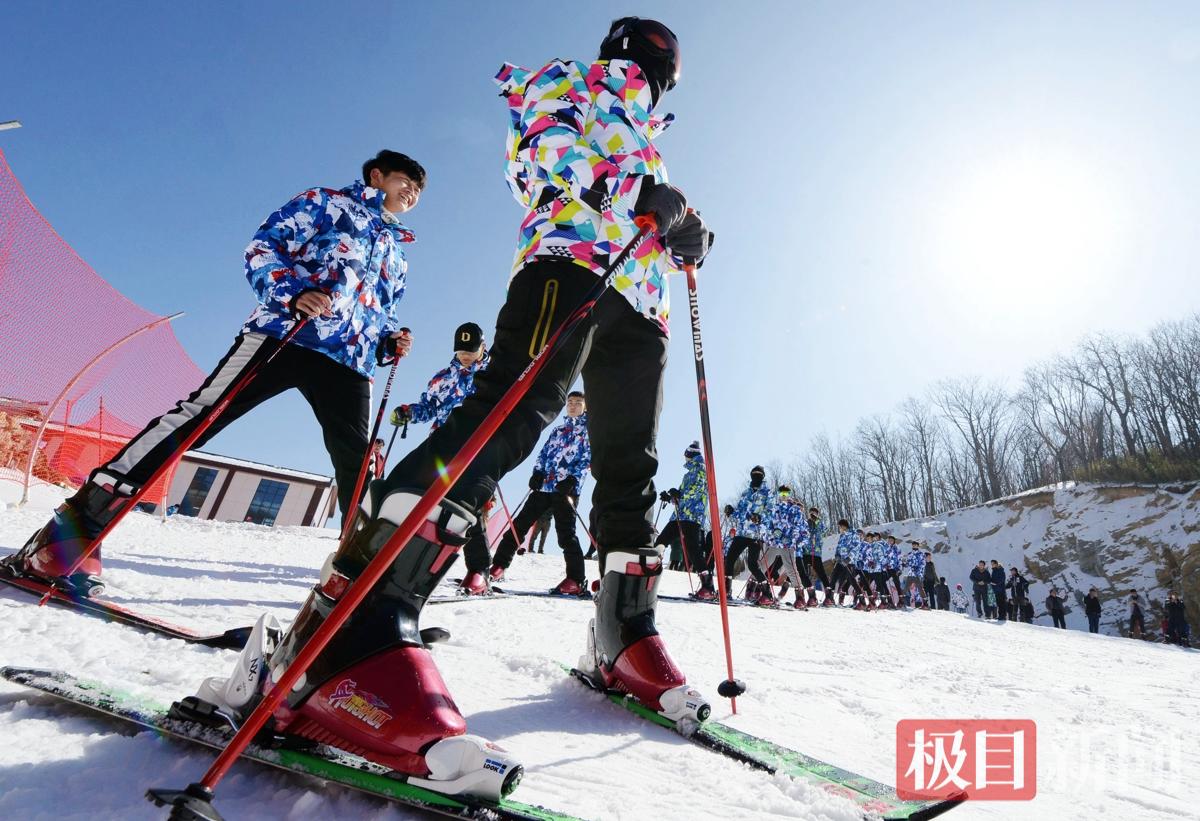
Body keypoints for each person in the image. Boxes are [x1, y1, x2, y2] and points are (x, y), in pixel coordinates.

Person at [189, 18, 717, 799]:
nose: (655, 73)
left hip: (642, 306)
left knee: (629, 465)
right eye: (655, 61)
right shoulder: (572, 81)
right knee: (508, 416)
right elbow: (542, 153)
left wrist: (686, 232)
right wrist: (636, 193)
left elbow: (657, 204)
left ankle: (624, 635)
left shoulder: (649, 132)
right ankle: (355, 630)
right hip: (570, 261)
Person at [10, 150, 422, 593]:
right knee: (202, 416)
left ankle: (356, 577)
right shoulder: (326, 203)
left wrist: (387, 342)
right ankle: (73, 530)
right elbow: (264, 246)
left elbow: (378, 311)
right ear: (377, 176)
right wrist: (291, 293)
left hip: (349, 362)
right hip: (287, 332)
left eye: (419, 191)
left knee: (359, 463)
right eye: (406, 182)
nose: (412, 194)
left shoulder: (397, 253)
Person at [484, 391, 591, 595]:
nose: (573, 405)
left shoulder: (587, 431)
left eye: (578, 403)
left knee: (566, 535)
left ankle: (575, 580)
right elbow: (543, 454)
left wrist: (572, 480)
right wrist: (537, 473)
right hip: (544, 486)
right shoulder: (558, 430)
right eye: (570, 402)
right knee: (519, 526)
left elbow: (587, 460)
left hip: (565, 490)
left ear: (585, 407)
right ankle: (498, 567)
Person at [390, 322, 489, 432]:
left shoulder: (493, 370)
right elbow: (430, 407)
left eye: (470, 350)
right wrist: (409, 413)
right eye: (461, 350)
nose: (465, 355)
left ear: (483, 346)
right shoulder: (443, 378)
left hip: (481, 436)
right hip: (445, 438)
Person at [655, 441, 715, 599]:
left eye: (685, 456)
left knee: (692, 549)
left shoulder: (700, 469)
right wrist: (671, 497)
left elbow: (697, 490)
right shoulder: (690, 472)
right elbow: (684, 494)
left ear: (689, 455)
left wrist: (679, 495)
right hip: (680, 514)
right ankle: (647, 575)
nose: (684, 459)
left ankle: (708, 586)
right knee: (662, 540)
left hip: (692, 515)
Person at [725, 466, 773, 601]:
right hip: (742, 532)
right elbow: (740, 513)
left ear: (763, 477)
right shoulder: (746, 493)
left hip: (756, 534)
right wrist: (731, 511)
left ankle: (766, 593)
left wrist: (760, 518)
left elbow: (770, 512)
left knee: (752, 565)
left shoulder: (768, 493)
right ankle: (726, 590)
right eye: (754, 474)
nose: (756, 476)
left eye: (759, 474)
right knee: (729, 560)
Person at [829, 520, 864, 607]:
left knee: (852, 580)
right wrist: (837, 555)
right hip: (840, 561)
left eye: (839, 527)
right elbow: (838, 547)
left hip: (849, 562)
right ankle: (829, 598)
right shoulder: (842, 535)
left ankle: (862, 601)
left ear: (844, 526)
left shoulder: (854, 535)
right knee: (833, 577)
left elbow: (856, 547)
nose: (839, 529)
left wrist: (849, 558)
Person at [901, 543, 926, 609]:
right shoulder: (910, 554)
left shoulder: (920, 554)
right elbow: (908, 563)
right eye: (913, 545)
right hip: (910, 574)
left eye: (915, 545)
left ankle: (922, 603)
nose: (914, 546)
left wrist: (918, 569)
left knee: (919, 588)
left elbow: (923, 564)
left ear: (918, 546)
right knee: (906, 587)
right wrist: (904, 564)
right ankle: (902, 602)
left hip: (917, 574)